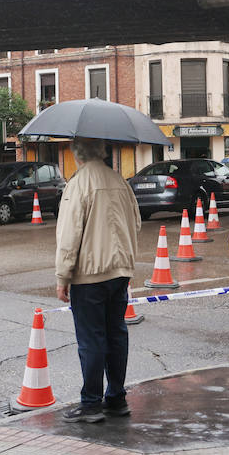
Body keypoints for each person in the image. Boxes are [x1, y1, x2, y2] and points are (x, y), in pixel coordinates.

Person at [54, 136, 142, 423]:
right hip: (120, 271)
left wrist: (62, 276)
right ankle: (116, 398)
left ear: (77, 155)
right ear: (101, 152)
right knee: (116, 334)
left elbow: (69, 235)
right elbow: (136, 223)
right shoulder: (120, 181)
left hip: (89, 274)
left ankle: (90, 403)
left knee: (91, 338)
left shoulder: (78, 184)